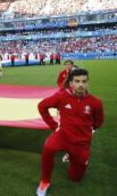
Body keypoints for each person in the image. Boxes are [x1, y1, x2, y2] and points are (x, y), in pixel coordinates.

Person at [36, 68, 104, 196]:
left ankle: (71, 155)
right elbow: (42, 106)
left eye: (84, 81)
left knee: (75, 178)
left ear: (87, 83)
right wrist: (53, 125)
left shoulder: (96, 102)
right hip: (63, 136)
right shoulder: (62, 96)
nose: (81, 85)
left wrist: (89, 130)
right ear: (71, 83)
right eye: (77, 81)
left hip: (81, 142)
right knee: (48, 148)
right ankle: (45, 181)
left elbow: (99, 122)